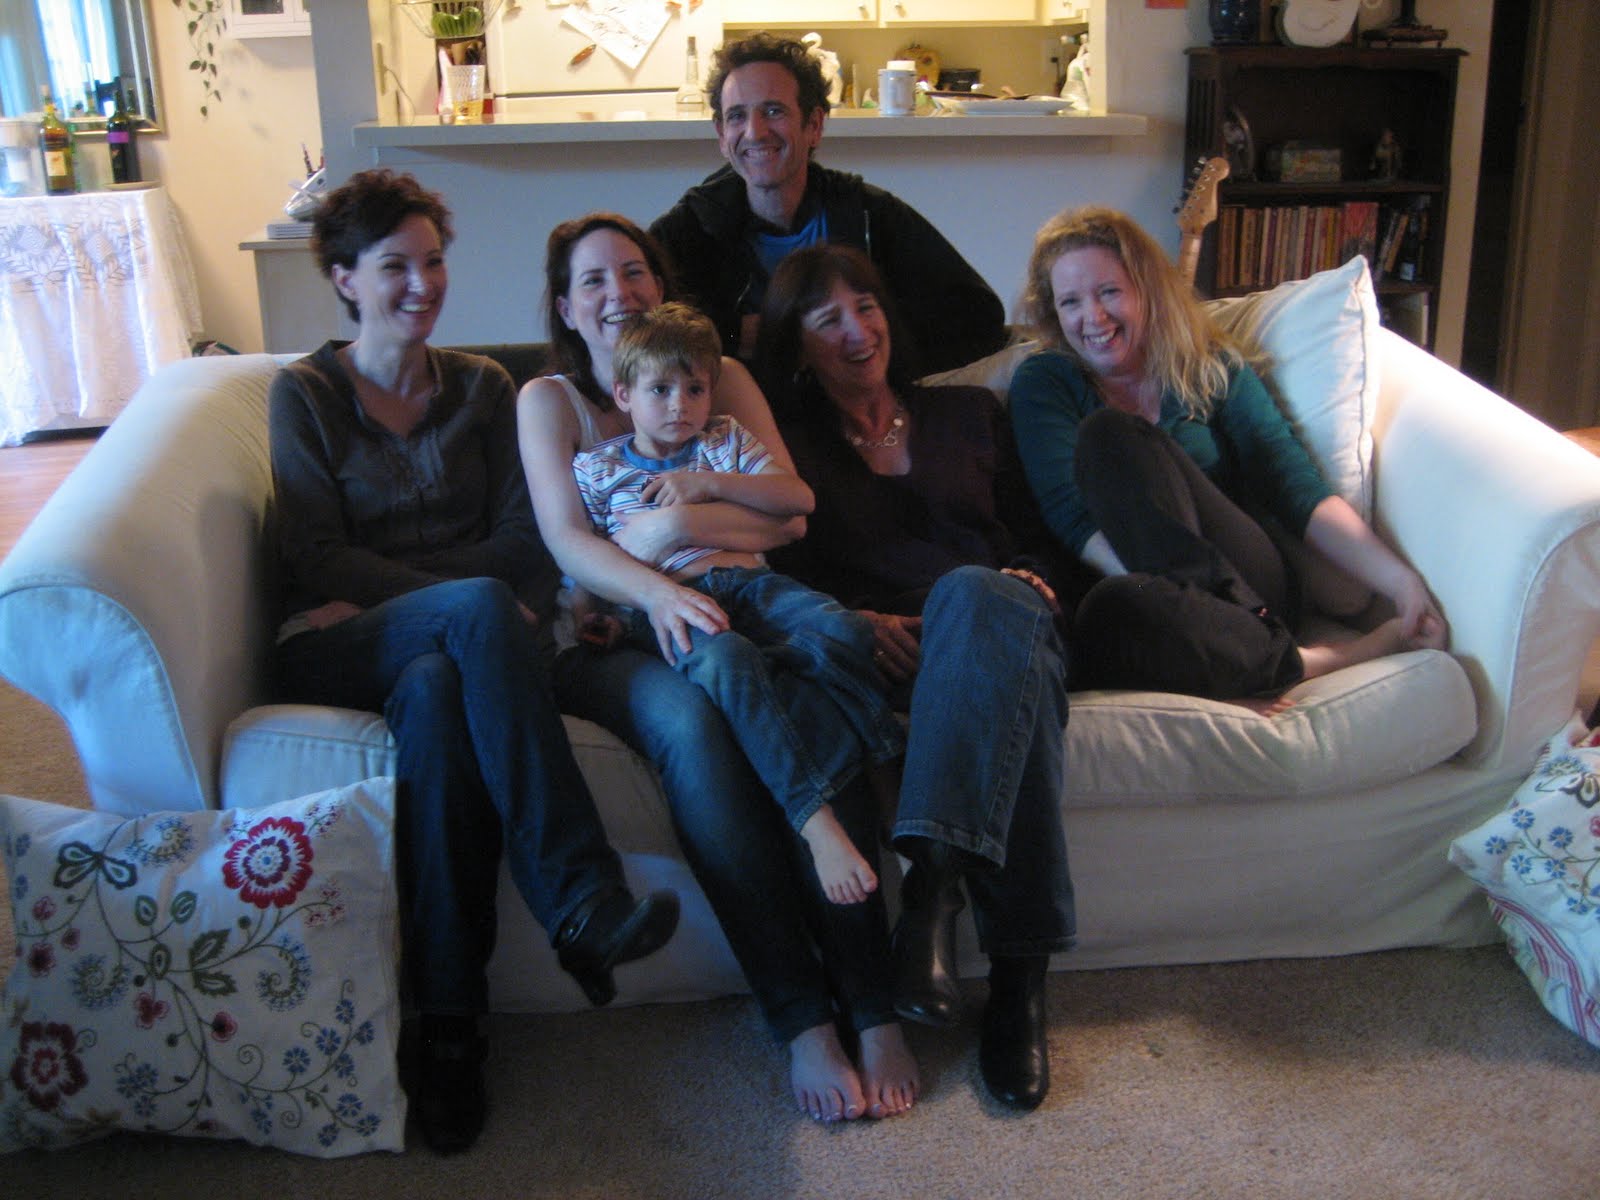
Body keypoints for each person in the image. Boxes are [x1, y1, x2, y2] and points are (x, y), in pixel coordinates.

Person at [268, 170, 680, 1154]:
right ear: (343, 279)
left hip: (442, 656)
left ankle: (449, 1029)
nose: (422, 284)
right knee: (475, 612)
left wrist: (439, 601)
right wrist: (458, 597)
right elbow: (313, 556)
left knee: (438, 690)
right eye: (394, 267)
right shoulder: (306, 395)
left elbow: (524, 543)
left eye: (433, 261)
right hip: (335, 646)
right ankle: (579, 896)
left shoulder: (485, 390)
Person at [515, 212, 919, 1122]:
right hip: (611, 631)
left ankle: (873, 1004)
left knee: (808, 696)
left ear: (661, 286)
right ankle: (802, 1017)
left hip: (734, 593)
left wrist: (673, 523)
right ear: (565, 307)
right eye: (593, 280)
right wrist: (656, 589)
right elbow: (573, 543)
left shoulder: (716, 377)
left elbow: (788, 519)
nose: (618, 293)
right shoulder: (551, 402)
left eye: (634, 272)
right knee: (697, 724)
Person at [756, 243, 1079, 1112]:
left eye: (867, 306)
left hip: (1005, 618)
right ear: (797, 345)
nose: (858, 330)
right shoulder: (784, 452)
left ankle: (934, 889)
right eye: (828, 318)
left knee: (977, 596)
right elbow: (775, 580)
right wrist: (854, 621)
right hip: (890, 657)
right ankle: (1018, 983)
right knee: (1019, 712)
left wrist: (1034, 578)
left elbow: (1042, 538)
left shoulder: (972, 412)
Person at [1009, 205, 1447, 701]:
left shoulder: (1211, 366)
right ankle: (1298, 661)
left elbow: (1293, 485)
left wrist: (1400, 581)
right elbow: (1071, 517)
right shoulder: (1044, 382)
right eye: (1070, 302)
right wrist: (1176, 604)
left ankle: (1249, 644)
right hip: (1139, 588)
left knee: (1112, 435)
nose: (1092, 317)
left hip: (1247, 581)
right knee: (1105, 608)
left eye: (1108, 292)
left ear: (1146, 290)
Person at [571, 301, 904, 905]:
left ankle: (886, 778)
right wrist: (595, 616)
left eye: (695, 389)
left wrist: (707, 483)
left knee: (843, 631)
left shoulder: (724, 441)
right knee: (733, 662)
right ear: (623, 395)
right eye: (660, 389)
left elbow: (797, 499)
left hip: (751, 584)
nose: (680, 404)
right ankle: (816, 822)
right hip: (673, 603)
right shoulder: (598, 469)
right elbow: (590, 556)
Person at [649, 30, 1007, 373]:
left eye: (773, 111)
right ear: (721, 135)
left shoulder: (869, 215)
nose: (754, 132)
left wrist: (846, 336)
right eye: (737, 116)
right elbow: (641, 335)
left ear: (815, 125)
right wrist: (732, 333)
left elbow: (980, 314)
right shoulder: (688, 230)